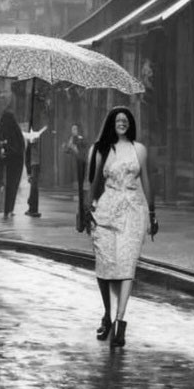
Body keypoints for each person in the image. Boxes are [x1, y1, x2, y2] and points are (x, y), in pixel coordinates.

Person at [83, 106, 158, 349]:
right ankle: (107, 312)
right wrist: (86, 211)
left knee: (127, 264)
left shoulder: (139, 149)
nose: (122, 123)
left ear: (130, 124)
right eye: (118, 120)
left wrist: (153, 213)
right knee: (104, 265)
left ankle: (119, 321)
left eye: (126, 120)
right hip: (105, 211)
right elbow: (92, 183)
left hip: (134, 211)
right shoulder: (100, 149)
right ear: (111, 124)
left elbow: (146, 180)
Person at [0, 100, 25, 221]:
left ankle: (7, 209)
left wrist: (4, 149)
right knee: (13, 185)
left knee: (8, 184)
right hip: (17, 159)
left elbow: (2, 140)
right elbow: (21, 145)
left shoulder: (4, 124)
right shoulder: (15, 128)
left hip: (8, 158)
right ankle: (9, 209)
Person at [63, 123, 88, 190]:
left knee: (80, 182)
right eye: (72, 129)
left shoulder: (81, 138)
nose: (73, 131)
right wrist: (66, 147)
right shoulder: (71, 138)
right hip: (72, 163)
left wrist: (75, 149)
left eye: (74, 129)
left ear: (78, 130)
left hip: (80, 162)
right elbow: (67, 150)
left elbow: (84, 150)